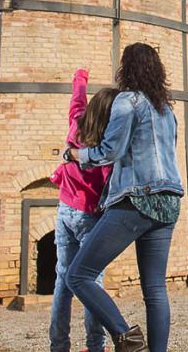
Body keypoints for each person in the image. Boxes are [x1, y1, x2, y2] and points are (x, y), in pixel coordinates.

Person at [64, 43, 184, 352]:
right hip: (169, 201)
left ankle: (127, 338)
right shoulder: (166, 110)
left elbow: (109, 152)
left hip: (136, 200)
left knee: (79, 275)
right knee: (155, 290)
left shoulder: (127, 101)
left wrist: (76, 154)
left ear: (125, 68)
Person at [48, 69, 116, 352]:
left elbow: (77, 101)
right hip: (90, 216)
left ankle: (59, 346)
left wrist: (81, 78)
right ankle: (95, 346)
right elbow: (110, 183)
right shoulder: (106, 145)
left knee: (63, 281)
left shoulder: (76, 123)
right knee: (91, 282)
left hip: (64, 210)